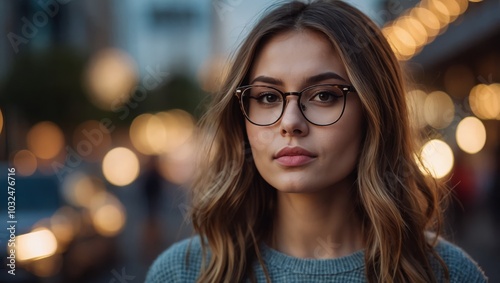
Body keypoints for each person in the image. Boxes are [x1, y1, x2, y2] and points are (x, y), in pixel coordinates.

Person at [146, 1, 487, 282]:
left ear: (374, 111)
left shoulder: (447, 273)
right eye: (267, 98)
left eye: (324, 95)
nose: (291, 123)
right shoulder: (182, 273)